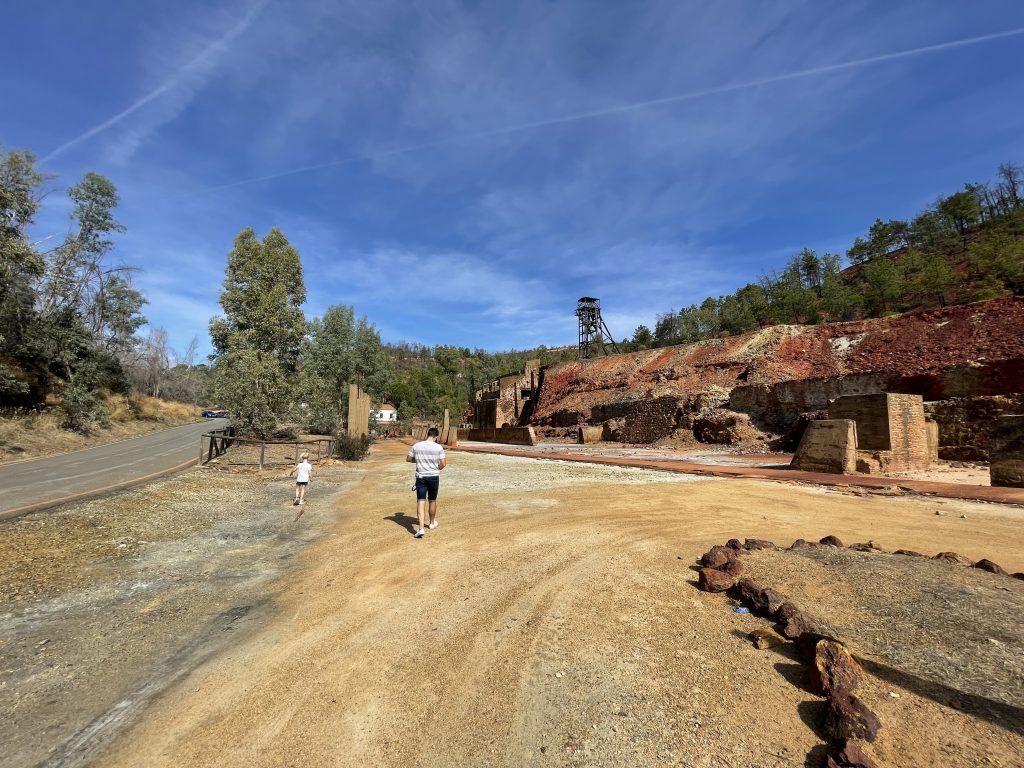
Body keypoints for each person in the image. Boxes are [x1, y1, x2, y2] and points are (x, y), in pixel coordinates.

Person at [406, 427, 446, 538]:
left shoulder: (416, 446)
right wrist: (436, 467)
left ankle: (421, 528)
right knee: (432, 501)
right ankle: (432, 523)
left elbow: (408, 459)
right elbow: (443, 463)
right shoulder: (439, 447)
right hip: (433, 477)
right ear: (436, 436)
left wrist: (418, 460)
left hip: (421, 477)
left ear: (427, 434)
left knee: (421, 501)